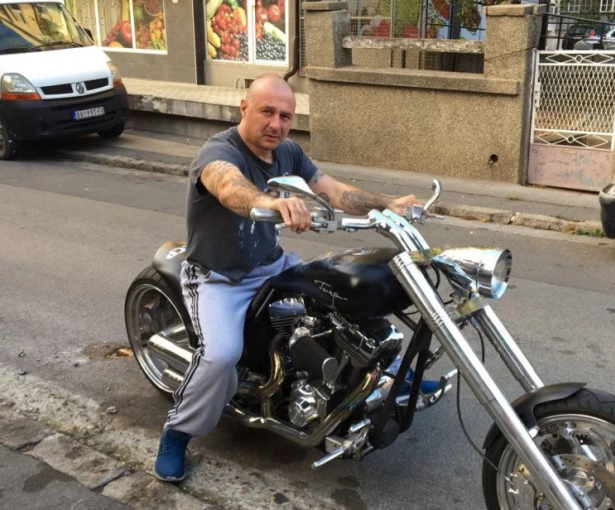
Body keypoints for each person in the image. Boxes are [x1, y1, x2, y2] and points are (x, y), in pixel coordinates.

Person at [154, 73, 430, 482]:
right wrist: (270, 203)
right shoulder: (218, 152)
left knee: (342, 306)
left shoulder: (288, 152)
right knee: (221, 355)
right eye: (267, 112)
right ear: (244, 108)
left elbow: (332, 190)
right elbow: (229, 188)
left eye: (285, 116)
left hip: (273, 265)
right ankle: (177, 433)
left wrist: (389, 204)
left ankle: (383, 380)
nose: (276, 124)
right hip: (219, 278)